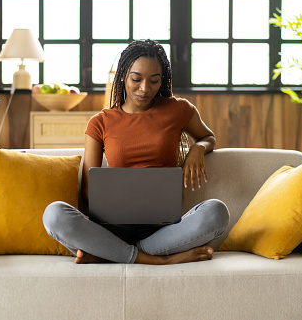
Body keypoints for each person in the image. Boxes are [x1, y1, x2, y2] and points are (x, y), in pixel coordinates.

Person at [43, 39, 229, 265]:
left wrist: (198, 148)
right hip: (110, 230)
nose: (145, 89)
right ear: (122, 75)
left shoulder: (179, 109)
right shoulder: (100, 122)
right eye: (136, 79)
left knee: (217, 212)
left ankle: (113, 254)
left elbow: (208, 137)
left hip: (162, 231)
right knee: (54, 214)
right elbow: (88, 193)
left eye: (154, 81)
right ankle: (159, 260)